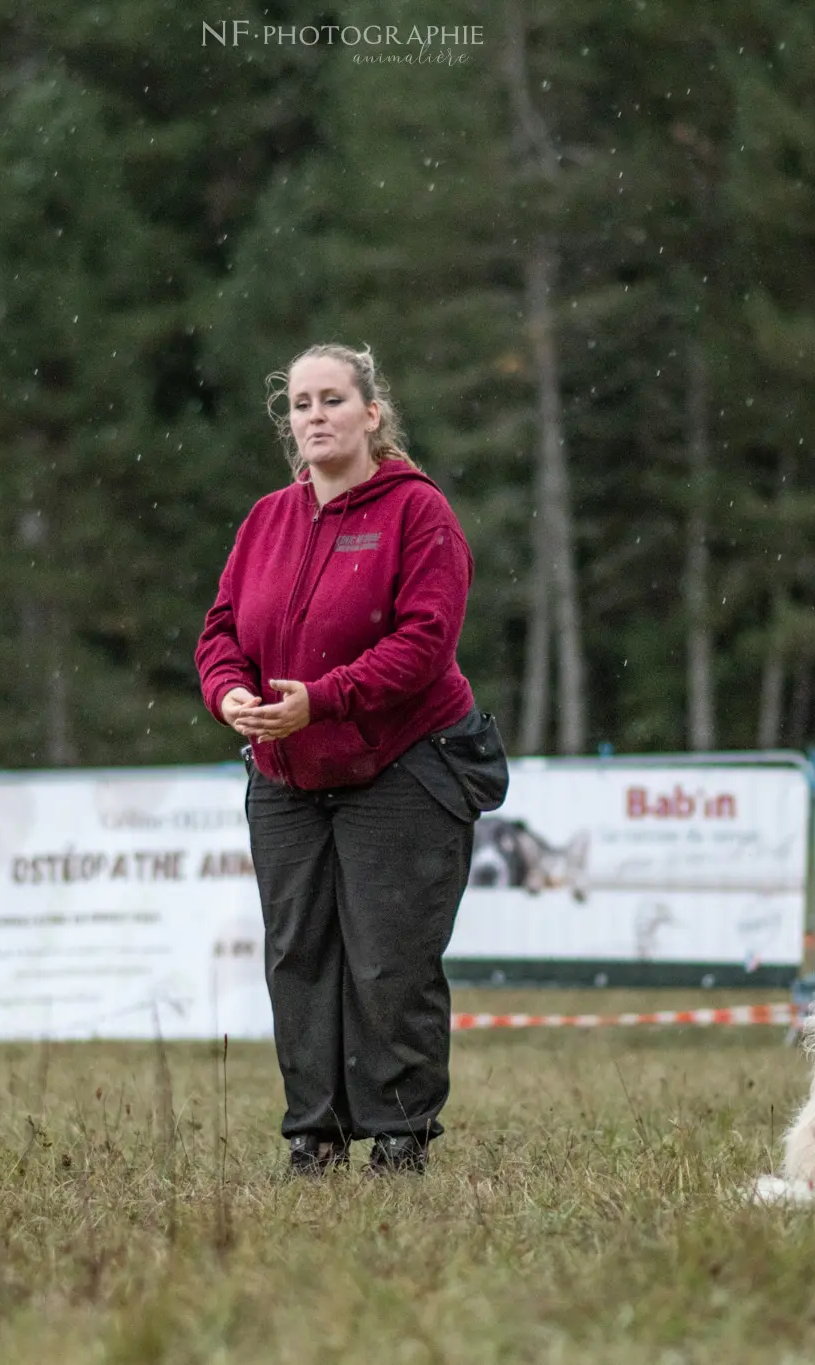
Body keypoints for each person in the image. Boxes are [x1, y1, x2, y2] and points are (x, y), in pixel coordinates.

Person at [195, 342, 504, 1176]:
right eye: (301, 403)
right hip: (287, 773)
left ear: (372, 414)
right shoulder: (266, 520)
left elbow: (426, 642)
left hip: (406, 761)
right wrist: (229, 694)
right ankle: (315, 1134)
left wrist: (320, 699)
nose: (315, 416)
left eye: (333, 400)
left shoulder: (417, 513)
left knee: (387, 956)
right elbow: (220, 631)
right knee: (298, 955)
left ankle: (401, 1134)